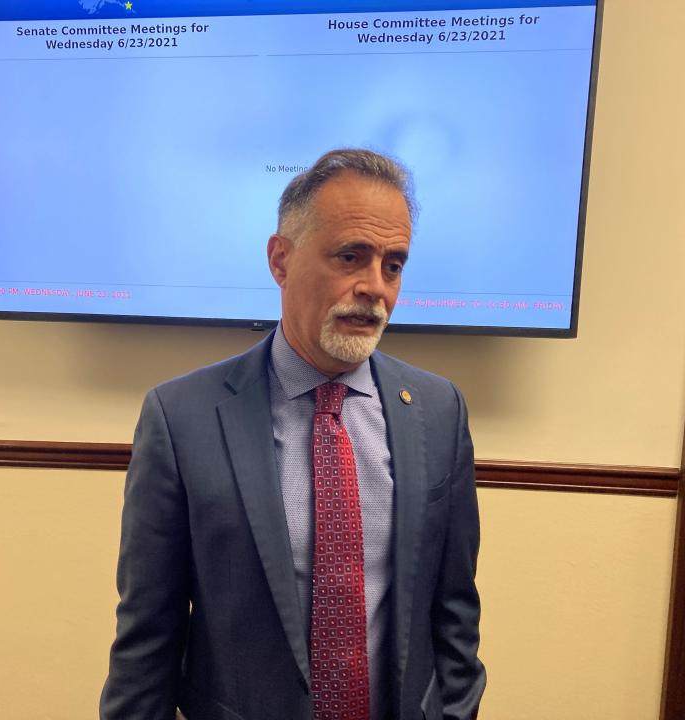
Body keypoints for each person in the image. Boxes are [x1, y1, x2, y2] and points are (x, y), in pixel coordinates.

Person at [100, 149, 485, 720]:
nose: (374, 287)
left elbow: (454, 613)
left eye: (394, 265)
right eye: (351, 256)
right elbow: (147, 640)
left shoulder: (437, 410)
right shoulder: (182, 417)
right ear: (280, 260)